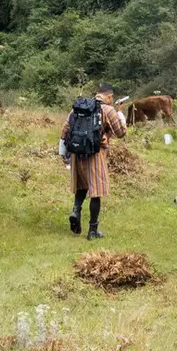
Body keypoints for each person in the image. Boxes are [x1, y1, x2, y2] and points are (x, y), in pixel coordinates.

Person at [60, 83, 127, 239]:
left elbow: (65, 129)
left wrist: (63, 153)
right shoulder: (108, 110)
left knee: (82, 186)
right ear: (109, 96)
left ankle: (76, 211)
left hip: (77, 154)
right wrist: (120, 114)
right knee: (96, 193)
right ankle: (92, 231)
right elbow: (121, 132)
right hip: (95, 155)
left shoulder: (79, 106)